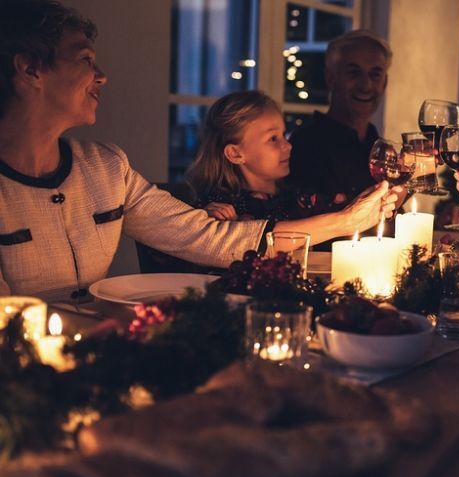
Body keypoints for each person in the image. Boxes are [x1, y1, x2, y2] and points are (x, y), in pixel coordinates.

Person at [0, 0, 397, 302]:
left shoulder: (106, 167)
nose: (101, 76)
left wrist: (347, 221)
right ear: (31, 70)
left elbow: (211, 239)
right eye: (85, 60)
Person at [187, 90, 395, 235]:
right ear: (235, 153)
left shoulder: (299, 198)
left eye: (283, 135)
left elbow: (352, 209)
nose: (288, 146)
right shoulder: (217, 207)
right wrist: (211, 222)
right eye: (273, 139)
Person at [284, 29, 391, 206]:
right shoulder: (305, 144)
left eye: (375, 74)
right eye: (354, 73)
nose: (366, 85)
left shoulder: (379, 145)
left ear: (384, 82)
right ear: (331, 78)